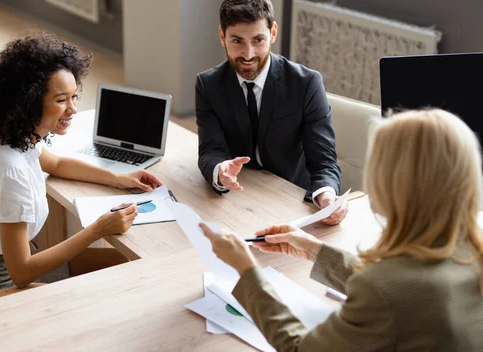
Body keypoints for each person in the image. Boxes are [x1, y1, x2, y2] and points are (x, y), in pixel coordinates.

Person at [201, 109, 483, 351]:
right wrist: (313, 248)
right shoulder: (470, 251)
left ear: (394, 183)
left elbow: (299, 348)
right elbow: (402, 293)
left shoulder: (385, 288)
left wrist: (248, 272)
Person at [0, 32, 162, 305]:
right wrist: (97, 230)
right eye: (61, 100)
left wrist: (117, 178)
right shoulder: (10, 170)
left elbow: (56, 163)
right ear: (29, 101)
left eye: (74, 97)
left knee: (125, 263)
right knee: (118, 284)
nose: (72, 109)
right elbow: (22, 272)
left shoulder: (13, 137)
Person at [195, 0, 346, 225]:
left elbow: (324, 161)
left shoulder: (306, 83)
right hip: (240, 198)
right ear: (222, 36)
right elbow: (210, 149)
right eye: (237, 41)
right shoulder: (209, 84)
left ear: (273, 33)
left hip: (292, 199)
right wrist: (220, 171)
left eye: (258, 40)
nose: (248, 54)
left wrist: (326, 196)